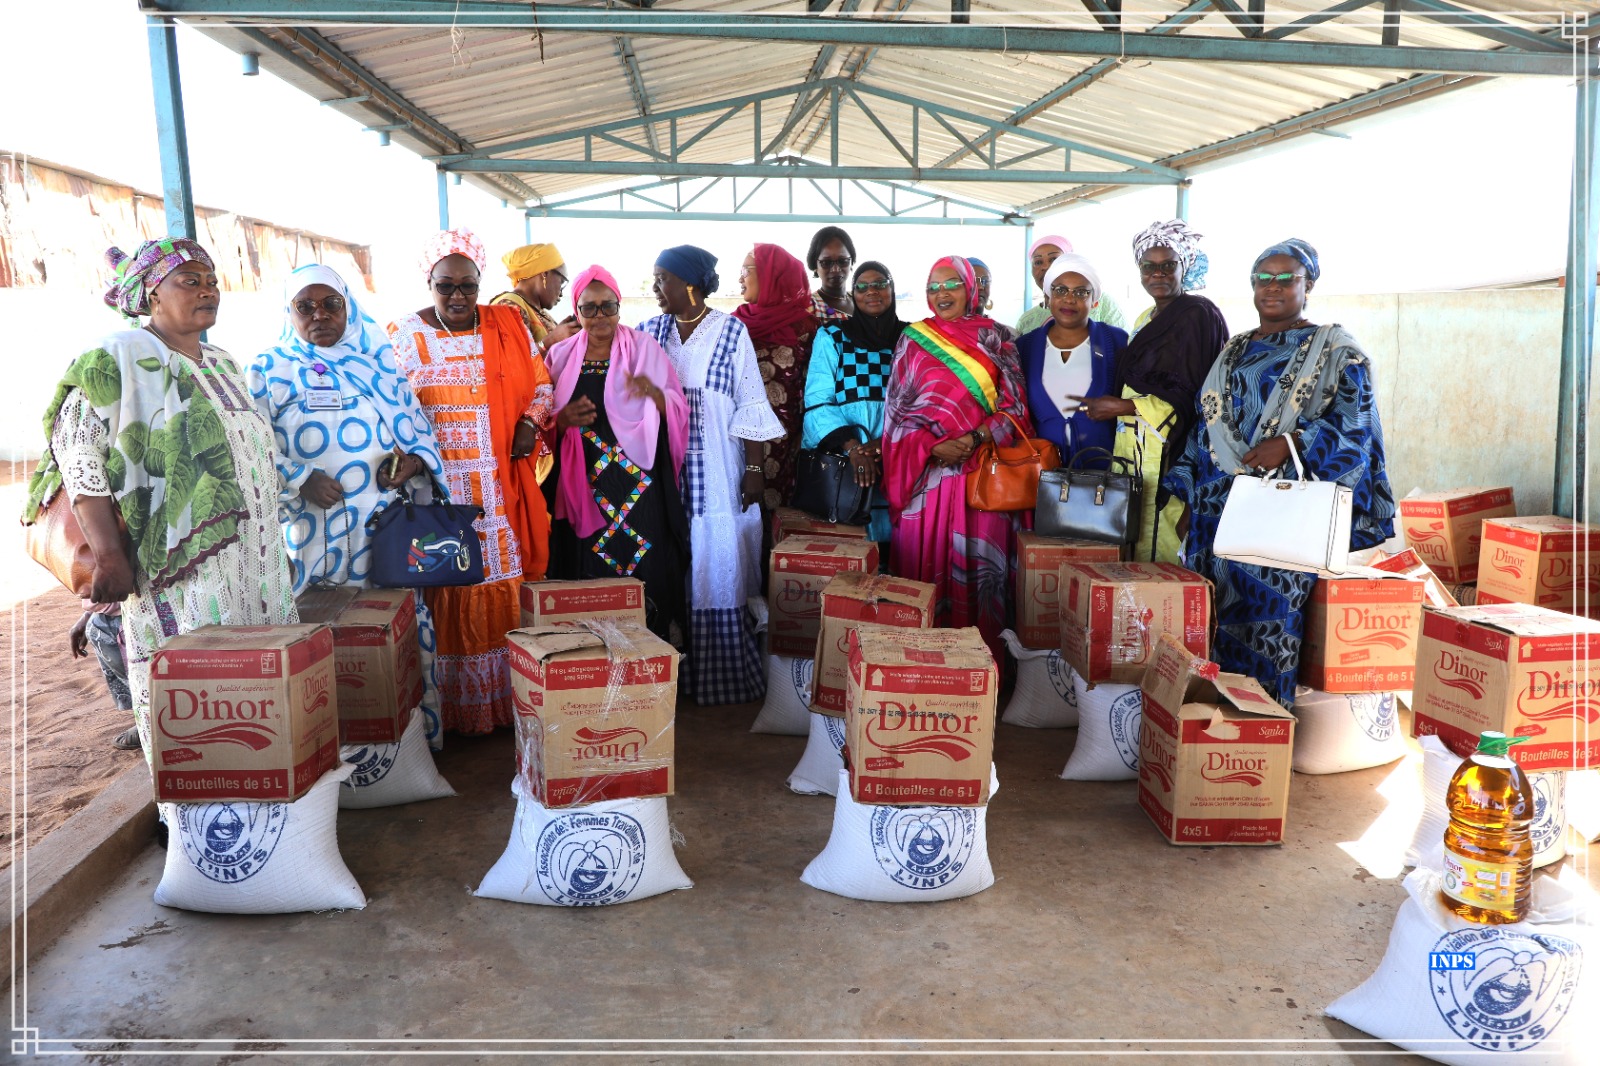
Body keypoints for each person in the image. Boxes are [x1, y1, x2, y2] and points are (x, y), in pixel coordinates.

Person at [23, 238, 297, 761]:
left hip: (251, 565)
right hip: (183, 573)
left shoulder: (222, 362)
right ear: (150, 294)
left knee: (255, 694)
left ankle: (258, 791)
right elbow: (78, 452)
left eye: (212, 280)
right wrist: (106, 554)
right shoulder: (119, 356)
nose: (207, 290)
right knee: (193, 694)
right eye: (189, 281)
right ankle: (192, 810)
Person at [1164, 239, 1396, 707]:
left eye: (1285, 278)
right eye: (1262, 278)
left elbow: (1357, 428)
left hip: (1281, 508)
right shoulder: (1235, 348)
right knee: (1211, 617)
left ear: (1307, 284)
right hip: (1216, 510)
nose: (1272, 287)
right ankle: (1213, 729)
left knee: (1270, 619)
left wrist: (1290, 445)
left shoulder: (1335, 349)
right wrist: (1190, 497)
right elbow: (1205, 423)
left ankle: (1263, 727)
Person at [248, 263, 449, 747]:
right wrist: (299, 478)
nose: (319, 315)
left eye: (330, 304)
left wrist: (413, 464)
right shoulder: (268, 368)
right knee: (325, 627)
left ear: (348, 307)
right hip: (312, 530)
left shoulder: (379, 364)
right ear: (289, 313)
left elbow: (419, 433)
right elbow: (251, 445)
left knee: (395, 620)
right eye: (305, 306)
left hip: (385, 526)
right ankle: (329, 742)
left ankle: (408, 743)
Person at [388, 229, 556, 735]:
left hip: (498, 482)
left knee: (501, 578)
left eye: (467, 285)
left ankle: (510, 704)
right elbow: (389, 412)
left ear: (481, 282)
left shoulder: (507, 324)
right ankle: (454, 713)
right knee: (448, 580)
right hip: (438, 488)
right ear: (429, 283)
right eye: (446, 286)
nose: (458, 296)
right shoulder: (402, 335)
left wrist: (529, 422)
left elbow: (541, 387)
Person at [641, 245, 783, 705]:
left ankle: (720, 681)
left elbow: (750, 402)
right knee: (668, 563)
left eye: (661, 278)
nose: (656, 287)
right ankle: (669, 682)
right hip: (663, 475)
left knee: (715, 560)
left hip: (719, 472)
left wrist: (756, 470)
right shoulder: (647, 333)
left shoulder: (730, 332)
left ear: (689, 283)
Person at [882, 255, 1033, 658]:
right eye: (934, 286)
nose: (942, 293)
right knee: (920, 577)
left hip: (982, 479)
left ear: (971, 288)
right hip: (926, 479)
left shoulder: (998, 336)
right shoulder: (913, 339)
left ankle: (981, 674)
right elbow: (896, 412)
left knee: (981, 577)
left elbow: (1016, 407)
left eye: (951, 284)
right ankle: (918, 668)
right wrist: (932, 446)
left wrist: (975, 436)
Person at [544, 265, 690, 643]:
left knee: (645, 561)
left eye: (608, 306)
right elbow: (538, 416)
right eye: (589, 308)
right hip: (585, 483)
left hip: (639, 485)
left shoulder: (645, 349)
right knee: (590, 566)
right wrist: (560, 423)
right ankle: (592, 652)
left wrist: (655, 395)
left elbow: (677, 407)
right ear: (576, 311)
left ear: (619, 307)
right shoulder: (558, 357)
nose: (599, 316)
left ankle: (650, 650)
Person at [1078, 220, 1230, 563]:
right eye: (1149, 266)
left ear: (1184, 267)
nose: (1157, 274)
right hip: (1133, 444)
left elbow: (1194, 391)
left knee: (1164, 534)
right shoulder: (1146, 317)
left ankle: (1168, 611)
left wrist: (1123, 407)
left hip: (1172, 447)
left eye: (1168, 265)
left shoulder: (1198, 314)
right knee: (1133, 532)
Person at [802, 260, 904, 545]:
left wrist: (887, 444)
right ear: (853, 294)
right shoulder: (833, 336)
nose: (871, 291)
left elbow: (922, 402)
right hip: (846, 463)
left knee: (899, 547)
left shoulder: (912, 338)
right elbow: (817, 400)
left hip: (900, 454)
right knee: (854, 548)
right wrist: (854, 449)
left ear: (892, 289)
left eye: (880, 284)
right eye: (861, 286)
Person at [1017, 253, 1127, 468]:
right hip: (1039, 473)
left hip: (1103, 471)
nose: (1069, 298)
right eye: (1060, 290)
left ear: (1094, 301)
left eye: (1081, 292)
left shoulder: (1115, 341)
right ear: (1048, 296)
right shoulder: (1024, 348)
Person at [733, 243, 818, 512]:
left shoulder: (808, 330)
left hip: (789, 457)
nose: (740, 278)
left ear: (773, 275)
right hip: (734, 448)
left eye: (746, 270)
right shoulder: (731, 326)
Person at [1015, 234, 1126, 334]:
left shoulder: (1103, 303)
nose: (1045, 267)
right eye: (1038, 262)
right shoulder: (1026, 320)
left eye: (1053, 259)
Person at [490, 243, 580, 355]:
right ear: (545, 274)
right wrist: (551, 340)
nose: (561, 293)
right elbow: (510, 362)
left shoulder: (539, 312)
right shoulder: (508, 305)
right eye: (561, 282)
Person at [70, 602, 135, 750]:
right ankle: (147, 720)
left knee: (147, 679)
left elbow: (110, 585)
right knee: (138, 681)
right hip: (112, 614)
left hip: (135, 614)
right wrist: (89, 614)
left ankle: (152, 722)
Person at [806, 225, 855, 321]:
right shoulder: (810, 307)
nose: (836, 269)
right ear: (815, 266)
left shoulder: (861, 299)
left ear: (851, 262)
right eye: (826, 263)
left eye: (843, 261)